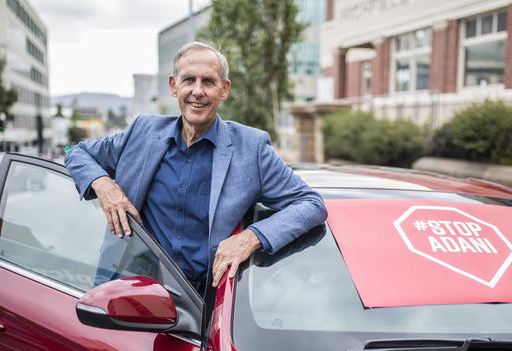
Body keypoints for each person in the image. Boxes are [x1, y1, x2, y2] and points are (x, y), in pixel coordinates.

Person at [65, 41, 327, 294]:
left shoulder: (252, 149)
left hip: (202, 306)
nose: (197, 91)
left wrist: (250, 238)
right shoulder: (141, 131)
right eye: (189, 80)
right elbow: (75, 152)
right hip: (128, 293)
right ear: (173, 86)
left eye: (208, 82)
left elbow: (311, 204)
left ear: (224, 89)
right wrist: (104, 185)